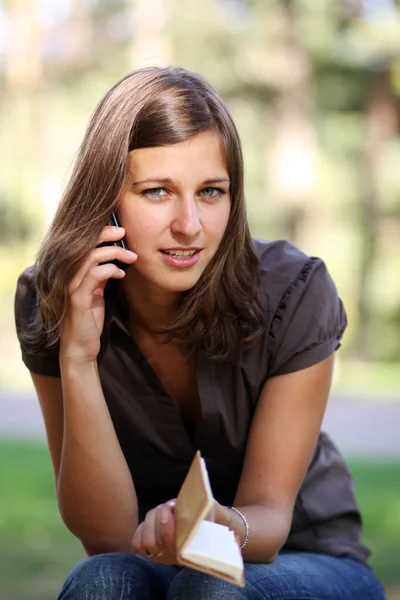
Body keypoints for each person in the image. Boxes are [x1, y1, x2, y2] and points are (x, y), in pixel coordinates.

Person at [14, 66, 385, 600]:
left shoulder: (295, 293)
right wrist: (78, 357)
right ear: (106, 199)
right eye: (157, 191)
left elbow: (272, 519)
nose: (190, 224)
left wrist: (222, 525)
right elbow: (107, 539)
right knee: (101, 582)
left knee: (208, 589)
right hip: (155, 560)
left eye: (211, 191)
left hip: (303, 558)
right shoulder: (50, 300)